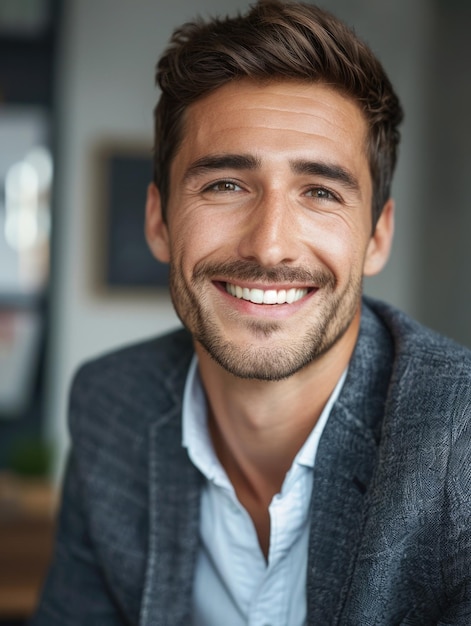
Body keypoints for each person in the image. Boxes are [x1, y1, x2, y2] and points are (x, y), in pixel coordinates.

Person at [32, 1, 471, 624]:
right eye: (225, 185)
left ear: (376, 236)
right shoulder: (109, 406)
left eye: (320, 192)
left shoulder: (462, 444)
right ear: (158, 220)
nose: (269, 245)